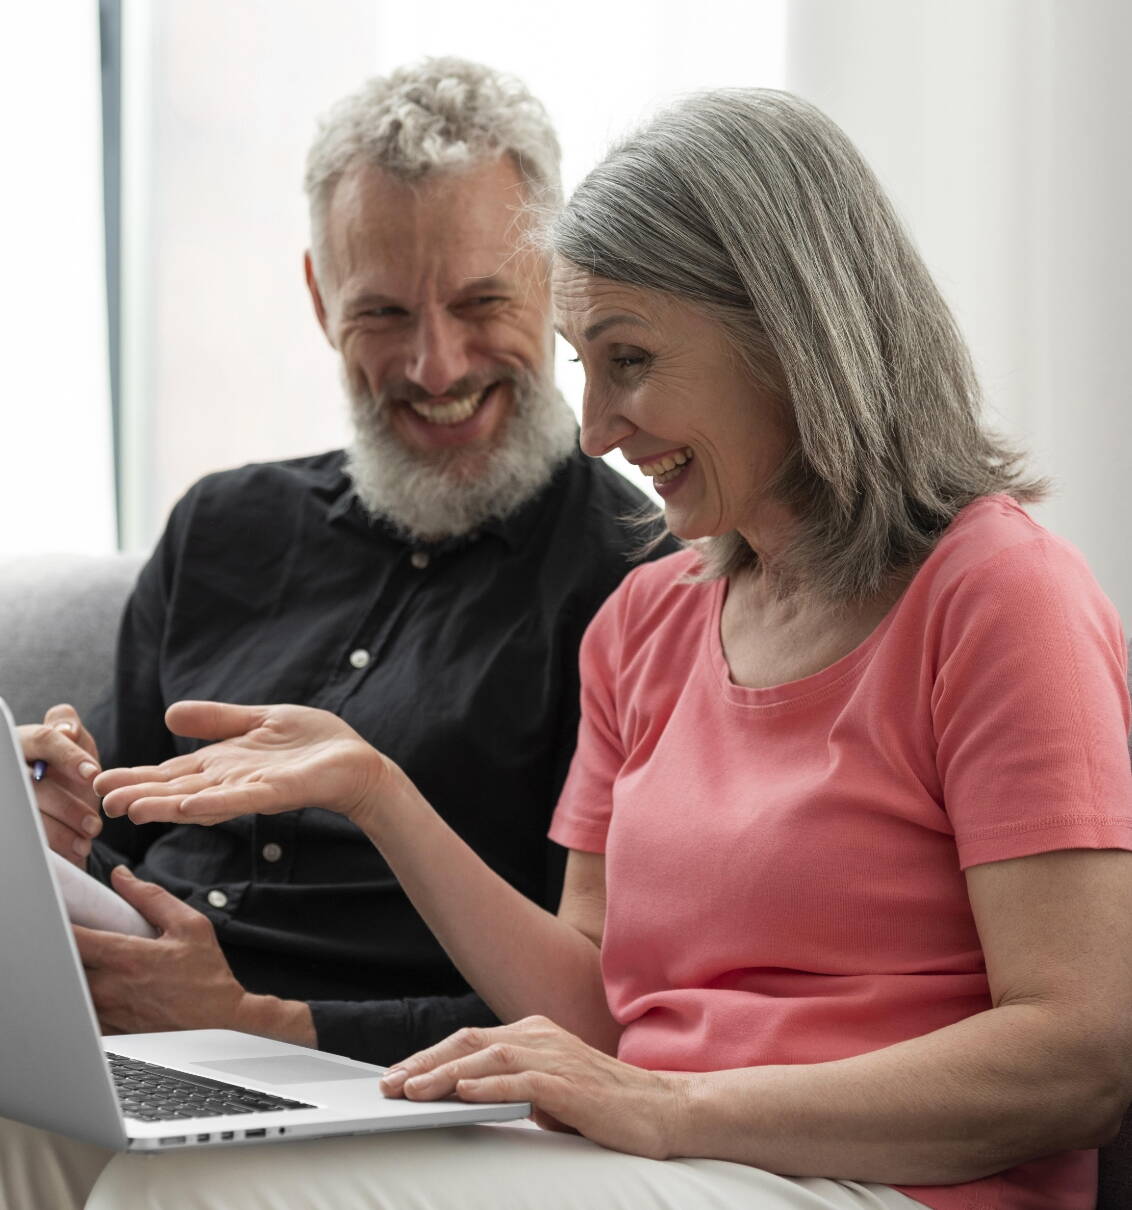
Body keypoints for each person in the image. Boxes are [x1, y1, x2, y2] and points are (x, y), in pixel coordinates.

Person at [81, 88, 1132, 1210]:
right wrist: (375, 788)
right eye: (586, 366)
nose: (596, 432)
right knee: (61, 1139)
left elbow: (1078, 1056)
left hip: (875, 1182)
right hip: (658, 1159)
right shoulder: (646, 621)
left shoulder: (997, 593)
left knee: (180, 1191)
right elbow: (596, 1004)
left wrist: (674, 1108)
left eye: (628, 359)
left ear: (789, 336)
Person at [0, 58, 675, 1210]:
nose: (435, 365)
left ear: (557, 284)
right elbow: (122, 848)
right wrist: (51, 830)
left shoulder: (638, 580)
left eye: (479, 304)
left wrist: (260, 1024)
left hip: (383, 1091)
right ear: (319, 298)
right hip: (129, 1061)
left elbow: (603, 1004)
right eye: (381, 313)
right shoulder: (220, 524)